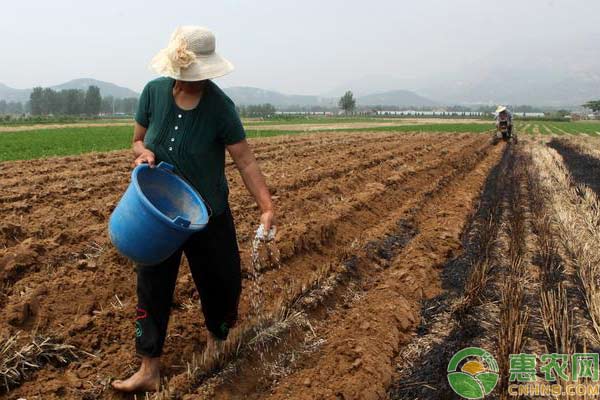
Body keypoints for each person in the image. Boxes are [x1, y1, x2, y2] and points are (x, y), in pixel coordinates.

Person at [112, 26, 275, 393]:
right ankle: (149, 368)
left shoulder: (220, 108)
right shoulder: (153, 93)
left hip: (208, 213)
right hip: (158, 212)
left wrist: (266, 207)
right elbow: (136, 140)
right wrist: (145, 153)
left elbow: (245, 160)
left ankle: (217, 345)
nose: (187, 81)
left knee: (222, 282)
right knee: (152, 285)